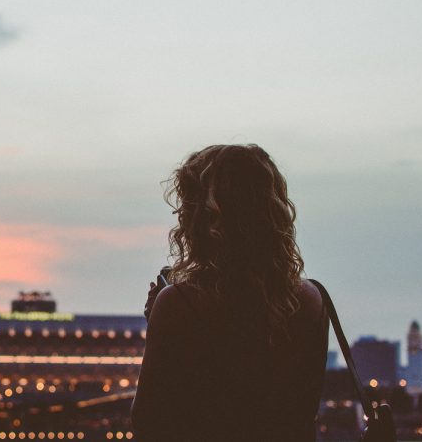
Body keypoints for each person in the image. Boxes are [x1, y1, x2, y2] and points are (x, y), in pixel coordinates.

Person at [131, 144, 327, 442]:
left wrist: (162, 323)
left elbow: (148, 421)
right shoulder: (312, 300)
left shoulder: (179, 304)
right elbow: (300, 408)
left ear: (204, 219)